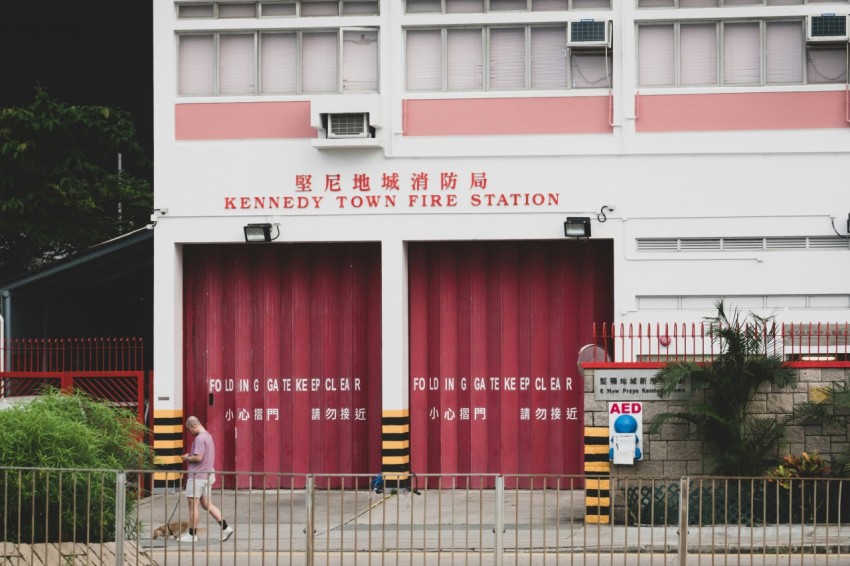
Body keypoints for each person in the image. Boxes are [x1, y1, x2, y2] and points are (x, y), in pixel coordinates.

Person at [177, 416, 234, 542]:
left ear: (194, 425)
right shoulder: (208, 436)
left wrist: (187, 458)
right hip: (207, 475)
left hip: (197, 476)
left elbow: (198, 458)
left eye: (189, 429)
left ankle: (192, 535)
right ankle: (226, 528)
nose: (189, 432)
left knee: (193, 506)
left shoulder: (199, 439)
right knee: (207, 504)